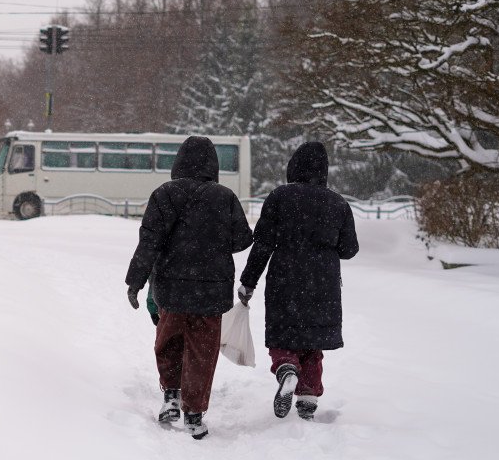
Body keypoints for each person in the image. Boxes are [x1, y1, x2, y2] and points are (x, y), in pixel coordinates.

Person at [126, 136, 253, 439]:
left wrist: (136, 282)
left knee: (168, 342)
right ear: (213, 165)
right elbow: (242, 240)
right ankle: (194, 413)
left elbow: (149, 243)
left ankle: (171, 396)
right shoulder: (224, 196)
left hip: (171, 288)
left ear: (178, 162)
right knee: (202, 350)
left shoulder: (164, 194)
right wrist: (212, 242)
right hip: (211, 291)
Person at [237, 141, 359, 421]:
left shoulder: (280, 197)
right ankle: (307, 399)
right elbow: (349, 250)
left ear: (293, 167)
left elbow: (263, 244)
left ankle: (286, 369)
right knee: (312, 342)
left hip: (285, 278)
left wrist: (249, 281)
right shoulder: (338, 203)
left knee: (284, 334)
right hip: (323, 284)